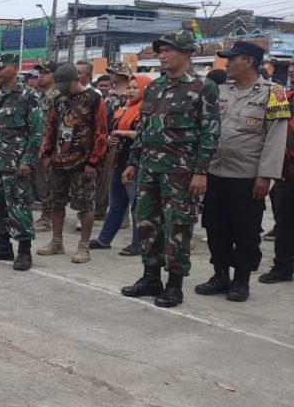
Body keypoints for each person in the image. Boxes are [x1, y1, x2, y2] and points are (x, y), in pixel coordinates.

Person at [121, 31, 221, 308]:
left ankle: (174, 284)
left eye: (169, 50)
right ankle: (150, 276)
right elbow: (143, 128)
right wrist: (132, 162)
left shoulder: (203, 87)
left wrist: (200, 171)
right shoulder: (155, 87)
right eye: (160, 51)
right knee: (146, 223)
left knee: (177, 226)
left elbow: (211, 132)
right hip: (149, 169)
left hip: (181, 172)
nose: (162, 55)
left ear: (187, 53)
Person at [196, 42, 290, 302]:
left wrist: (266, 175)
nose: (226, 63)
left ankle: (241, 280)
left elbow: (276, 138)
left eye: (232, 58)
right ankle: (220, 275)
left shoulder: (274, 94)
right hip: (216, 172)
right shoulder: (219, 90)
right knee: (215, 227)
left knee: (246, 231)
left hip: (247, 177)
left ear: (248, 61)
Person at [0, 54, 44, 271]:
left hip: (16, 164)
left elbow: (36, 131)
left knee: (18, 205)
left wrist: (28, 160)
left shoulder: (28, 95)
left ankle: (24, 251)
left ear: (14, 68)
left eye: (1, 68)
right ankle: (2, 245)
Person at [37, 64, 108, 263]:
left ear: (77, 80)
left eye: (66, 85)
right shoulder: (59, 99)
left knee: (84, 205)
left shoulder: (94, 99)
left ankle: (84, 246)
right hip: (59, 160)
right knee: (56, 202)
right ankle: (56, 242)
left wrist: (93, 162)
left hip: (83, 162)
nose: (63, 90)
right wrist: (47, 153)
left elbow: (101, 131)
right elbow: (52, 128)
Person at [89, 75, 152, 255]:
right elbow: (112, 127)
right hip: (119, 159)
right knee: (116, 203)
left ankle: (138, 243)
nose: (131, 91)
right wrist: (111, 137)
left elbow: (147, 134)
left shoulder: (149, 109)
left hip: (137, 162)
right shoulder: (126, 107)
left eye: (135, 88)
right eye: (129, 87)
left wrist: (123, 133)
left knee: (137, 205)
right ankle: (104, 239)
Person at [261, 65, 294, 284]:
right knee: (285, 221)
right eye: (291, 72)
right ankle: (282, 267)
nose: (292, 74)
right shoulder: (285, 98)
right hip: (288, 171)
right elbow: (274, 130)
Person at [32, 60, 61, 232]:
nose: (40, 76)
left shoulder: (57, 96)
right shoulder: (41, 94)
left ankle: (47, 217)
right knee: (41, 183)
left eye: (45, 73)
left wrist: (49, 149)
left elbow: (56, 125)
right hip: (37, 144)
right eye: (40, 73)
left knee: (48, 183)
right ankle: (46, 214)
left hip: (49, 147)